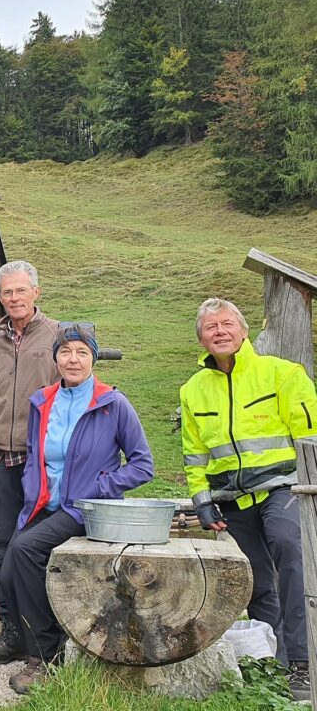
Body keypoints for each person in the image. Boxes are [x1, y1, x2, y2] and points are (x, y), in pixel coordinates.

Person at [0, 322, 153, 694]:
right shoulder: (42, 401)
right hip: (43, 503)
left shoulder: (111, 403)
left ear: (93, 358)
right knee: (7, 573)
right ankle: (48, 640)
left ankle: (45, 658)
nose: (73, 359)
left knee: (23, 552)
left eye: (82, 352)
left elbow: (142, 464)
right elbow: (36, 455)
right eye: (65, 352)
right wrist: (31, 483)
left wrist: (101, 487)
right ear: (55, 358)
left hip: (85, 509)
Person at [181, 298, 317, 701]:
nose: (219, 331)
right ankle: (270, 661)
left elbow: (310, 437)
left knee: (289, 550)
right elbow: (194, 455)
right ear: (201, 339)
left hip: (285, 489)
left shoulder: (283, 374)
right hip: (231, 499)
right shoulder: (193, 389)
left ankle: (303, 664)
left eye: (227, 324)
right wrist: (202, 501)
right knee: (255, 578)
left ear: (243, 331)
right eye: (210, 327)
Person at [0, 260, 59, 666]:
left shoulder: (57, 336)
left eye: (21, 290)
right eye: (7, 292)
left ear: (36, 292)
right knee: (1, 549)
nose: (14, 298)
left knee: (38, 549)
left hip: (38, 464)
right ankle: (10, 632)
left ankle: (44, 638)